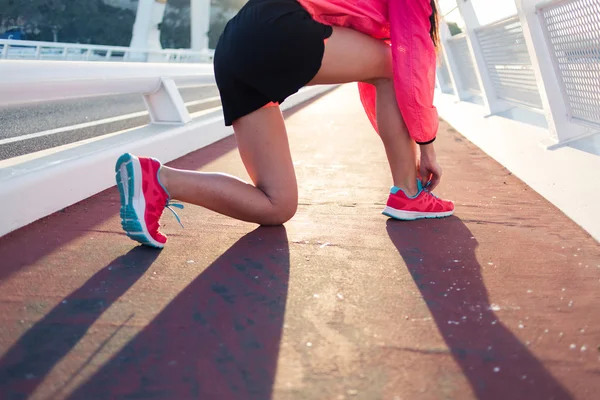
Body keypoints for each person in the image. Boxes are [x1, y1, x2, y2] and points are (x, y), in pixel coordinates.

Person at [115, 0, 455, 249]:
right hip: (279, 26)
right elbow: (411, 67)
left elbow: (375, 80)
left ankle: (157, 179)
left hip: (237, 43)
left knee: (277, 205)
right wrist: (427, 146)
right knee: (394, 64)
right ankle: (409, 194)